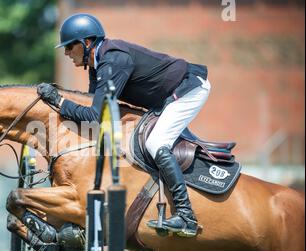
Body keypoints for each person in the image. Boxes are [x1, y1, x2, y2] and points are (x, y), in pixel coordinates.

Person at [37, 13, 211, 237]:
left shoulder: (113, 60)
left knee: (156, 142)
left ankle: (187, 216)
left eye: (69, 47)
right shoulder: (97, 65)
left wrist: (59, 102)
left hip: (189, 88)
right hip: (165, 97)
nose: (66, 53)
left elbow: (93, 116)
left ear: (86, 43)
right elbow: (92, 109)